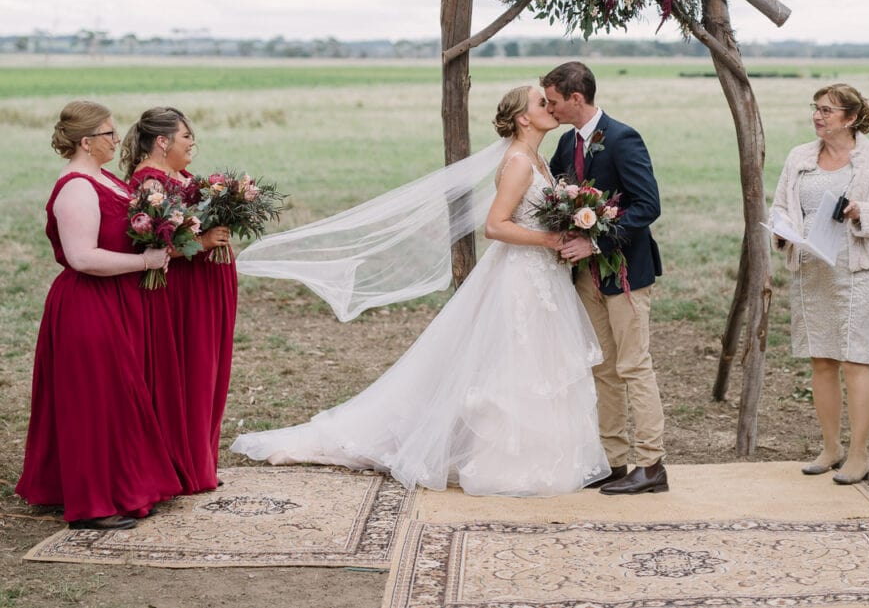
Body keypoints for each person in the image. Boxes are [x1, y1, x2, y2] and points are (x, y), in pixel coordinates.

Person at [231, 86, 610, 496]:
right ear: (522, 118)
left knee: (541, 364)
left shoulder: (537, 159)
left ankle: (544, 457)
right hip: (521, 276)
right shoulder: (519, 163)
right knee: (515, 364)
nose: (549, 108)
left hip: (542, 276)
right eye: (541, 104)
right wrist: (550, 241)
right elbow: (495, 225)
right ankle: (507, 463)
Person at [16, 101, 180, 530]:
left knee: (117, 399)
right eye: (108, 133)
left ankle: (114, 485)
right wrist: (145, 262)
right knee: (95, 403)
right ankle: (92, 504)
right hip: (89, 305)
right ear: (86, 142)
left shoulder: (102, 177)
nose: (116, 139)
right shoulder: (75, 188)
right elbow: (82, 257)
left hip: (118, 302)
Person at [770, 84, 869, 485]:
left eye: (827, 110)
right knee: (821, 359)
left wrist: (860, 211)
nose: (817, 116)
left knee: (855, 360)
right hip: (812, 268)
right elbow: (781, 205)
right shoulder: (799, 157)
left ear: (850, 118)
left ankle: (860, 454)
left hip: (856, 269)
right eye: (815, 108)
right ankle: (831, 447)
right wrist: (781, 232)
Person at [542, 61, 668, 495]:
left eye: (554, 101)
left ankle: (651, 464)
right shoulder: (564, 143)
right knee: (604, 369)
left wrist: (595, 242)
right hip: (585, 278)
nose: (549, 108)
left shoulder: (622, 138)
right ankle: (614, 462)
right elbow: (560, 197)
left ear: (577, 99)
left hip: (626, 273)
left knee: (634, 365)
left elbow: (647, 206)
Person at [122, 107, 235, 493]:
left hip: (205, 289)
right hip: (182, 295)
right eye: (187, 137)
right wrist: (203, 242)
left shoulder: (180, 176)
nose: (193, 144)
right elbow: (157, 246)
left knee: (208, 375)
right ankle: (181, 466)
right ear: (162, 141)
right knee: (188, 374)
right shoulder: (149, 183)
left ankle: (199, 460)